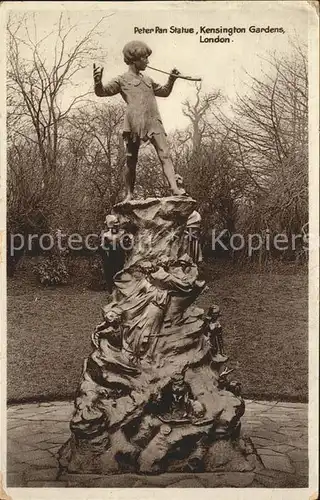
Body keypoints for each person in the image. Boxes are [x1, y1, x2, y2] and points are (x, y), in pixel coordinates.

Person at [93, 40, 186, 201]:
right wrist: (97, 82)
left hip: (153, 120)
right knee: (131, 159)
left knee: (165, 154)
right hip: (134, 122)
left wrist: (171, 80)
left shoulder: (148, 80)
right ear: (134, 59)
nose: (147, 61)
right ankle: (129, 193)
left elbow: (164, 92)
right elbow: (102, 92)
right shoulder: (122, 80)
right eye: (144, 58)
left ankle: (174, 188)